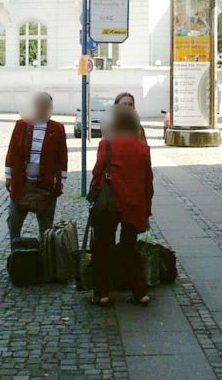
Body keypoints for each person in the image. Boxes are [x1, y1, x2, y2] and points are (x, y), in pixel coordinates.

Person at [89, 106, 153, 307]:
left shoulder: (106, 145)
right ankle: (139, 292)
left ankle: (103, 292)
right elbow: (147, 183)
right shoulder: (143, 149)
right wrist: (147, 211)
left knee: (103, 247)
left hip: (110, 204)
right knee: (129, 248)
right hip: (133, 206)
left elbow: (97, 173)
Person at [5, 92, 68, 241]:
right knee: (14, 221)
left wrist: (60, 183)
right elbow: (12, 150)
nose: (43, 109)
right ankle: (16, 253)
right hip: (22, 182)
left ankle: (44, 257)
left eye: (47, 106)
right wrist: (9, 176)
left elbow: (62, 157)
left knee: (45, 226)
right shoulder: (21, 125)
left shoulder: (57, 128)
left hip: (45, 185)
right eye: (40, 105)